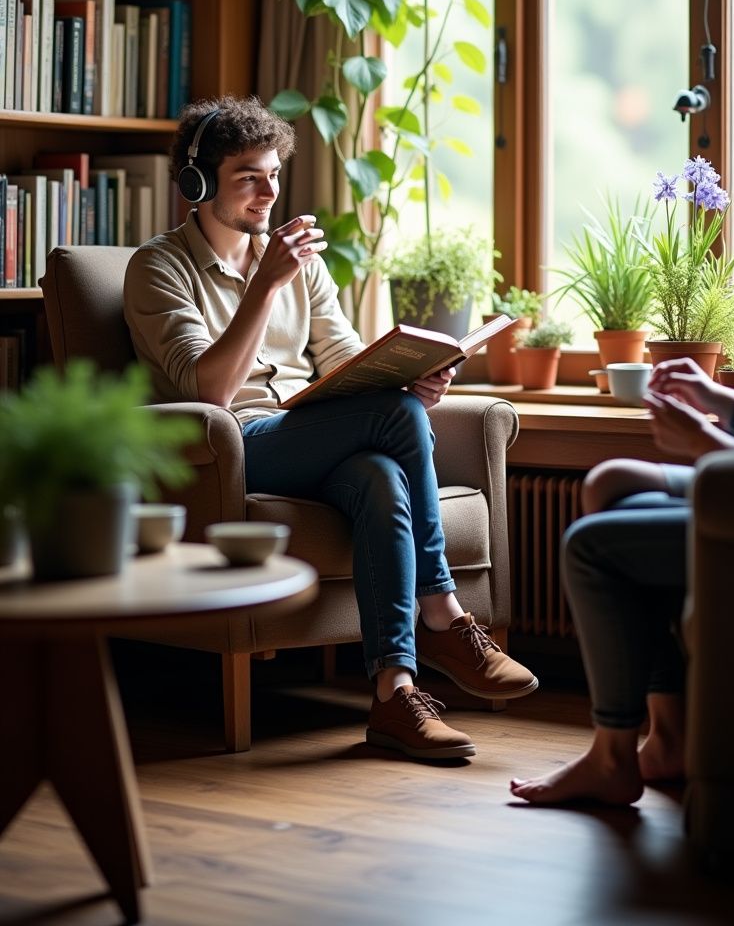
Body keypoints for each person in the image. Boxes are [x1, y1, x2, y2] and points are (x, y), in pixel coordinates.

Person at [124, 95, 538, 763]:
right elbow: (209, 390)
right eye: (248, 178)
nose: (269, 193)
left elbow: (343, 357)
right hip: (232, 447)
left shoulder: (301, 264)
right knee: (394, 421)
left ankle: (394, 693)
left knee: (380, 473)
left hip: (307, 434)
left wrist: (408, 378)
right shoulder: (158, 268)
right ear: (197, 184)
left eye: (273, 175)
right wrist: (266, 286)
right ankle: (441, 610)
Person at [510, 93, 734, 806]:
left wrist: (703, 442)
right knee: (611, 481)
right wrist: (720, 400)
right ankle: (668, 736)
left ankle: (612, 756)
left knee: (590, 546)